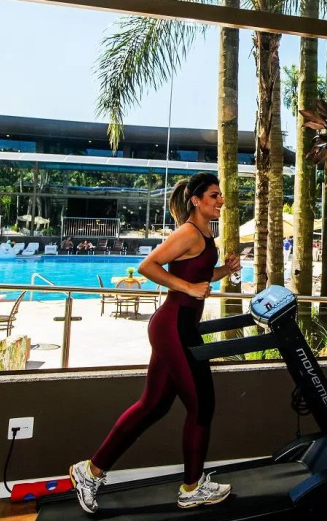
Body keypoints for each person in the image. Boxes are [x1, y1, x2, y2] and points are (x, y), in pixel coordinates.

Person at [69, 172, 242, 513]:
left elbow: (198, 276)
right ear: (196, 200)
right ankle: (191, 488)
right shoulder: (188, 232)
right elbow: (148, 266)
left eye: (220, 195)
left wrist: (225, 270)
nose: (221, 200)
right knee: (201, 406)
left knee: (154, 405)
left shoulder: (206, 234)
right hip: (173, 326)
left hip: (180, 326)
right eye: (214, 195)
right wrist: (188, 288)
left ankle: (89, 472)